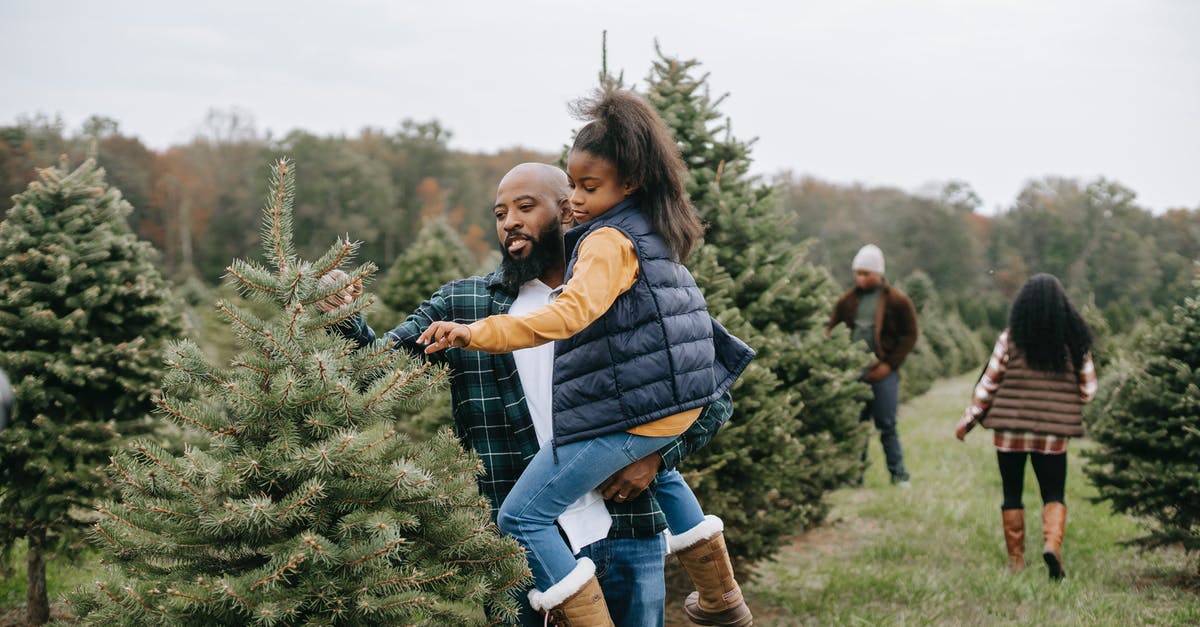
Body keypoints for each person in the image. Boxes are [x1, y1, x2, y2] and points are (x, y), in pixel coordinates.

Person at [320, 162, 732, 626]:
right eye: (500, 213)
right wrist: (343, 317)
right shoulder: (466, 307)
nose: (509, 221)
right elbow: (380, 365)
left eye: (525, 207)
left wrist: (656, 458)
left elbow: (708, 391)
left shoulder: (629, 284)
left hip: (626, 529)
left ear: (568, 211)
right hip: (519, 551)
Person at [419, 89, 755, 627]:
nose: (576, 199)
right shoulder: (655, 237)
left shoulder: (605, 244)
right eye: (573, 185)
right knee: (666, 478)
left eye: (585, 188)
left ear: (629, 184)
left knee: (521, 516)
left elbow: (568, 315)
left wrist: (479, 334)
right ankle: (721, 599)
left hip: (628, 450)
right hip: (667, 406)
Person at [955, 273, 1096, 580]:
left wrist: (969, 420)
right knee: (1053, 492)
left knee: (1011, 492)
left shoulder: (1010, 338)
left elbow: (988, 385)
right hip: (1053, 434)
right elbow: (1088, 390)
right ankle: (1051, 545)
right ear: (1063, 306)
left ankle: (1017, 561)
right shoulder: (1074, 341)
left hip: (1010, 431)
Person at [827, 244, 918, 487]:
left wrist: (889, 365)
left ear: (878, 274)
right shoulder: (846, 301)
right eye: (858, 273)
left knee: (887, 424)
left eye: (866, 274)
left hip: (883, 372)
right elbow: (831, 331)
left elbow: (910, 335)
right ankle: (853, 477)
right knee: (856, 425)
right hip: (853, 371)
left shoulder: (897, 300)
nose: (861, 278)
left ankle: (899, 475)